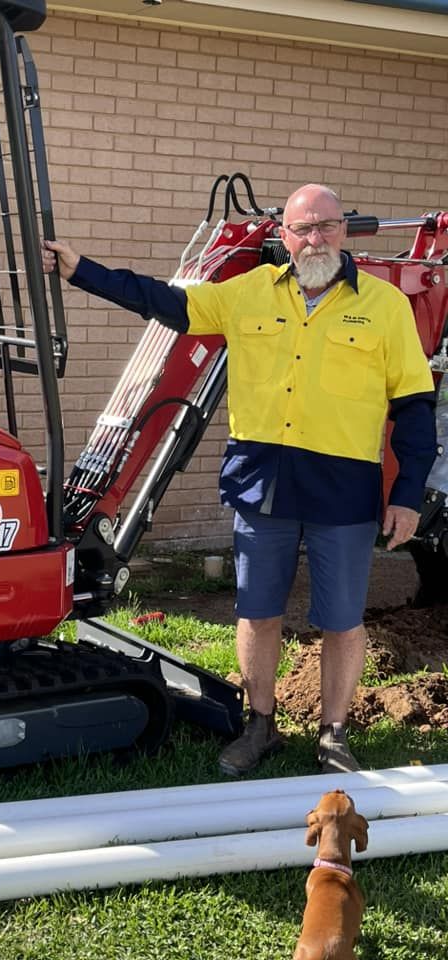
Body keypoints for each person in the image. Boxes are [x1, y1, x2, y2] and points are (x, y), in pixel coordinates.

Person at [42, 183, 437, 777]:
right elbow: (167, 302)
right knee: (256, 611)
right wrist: (82, 271)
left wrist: (406, 496)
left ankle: (333, 734)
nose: (315, 239)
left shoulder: (386, 306)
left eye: (327, 226)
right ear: (285, 236)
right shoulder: (248, 292)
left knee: (341, 619)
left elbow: (414, 408)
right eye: (303, 228)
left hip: (343, 487)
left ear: (344, 231)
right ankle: (260, 725)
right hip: (262, 481)